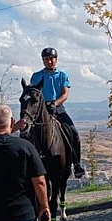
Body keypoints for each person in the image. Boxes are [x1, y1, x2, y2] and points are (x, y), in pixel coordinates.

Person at [30, 47, 86, 178]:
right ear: (43, 61)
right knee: (27, 133)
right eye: (46, 59)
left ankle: (76, 164)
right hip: (40, 110)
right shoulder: (36, 76)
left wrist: (54, 104)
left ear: (56, 59)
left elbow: (65, 94)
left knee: (73, 132)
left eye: (51, 59)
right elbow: (33, 94)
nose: (49, 62)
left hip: (58, 108)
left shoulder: (62, 75)